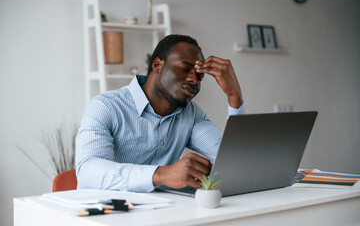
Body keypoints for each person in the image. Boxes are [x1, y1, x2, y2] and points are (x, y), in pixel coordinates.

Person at [76, 34, 245, 192]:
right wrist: (161, 174)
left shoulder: (191, 114)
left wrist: (234, 96)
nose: (194, 80)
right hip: (108, 215)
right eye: (184, 69)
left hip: (163, 214)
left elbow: (237, 159)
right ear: (157, 65)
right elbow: (87, 172)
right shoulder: (106, 106)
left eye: (199, 76)